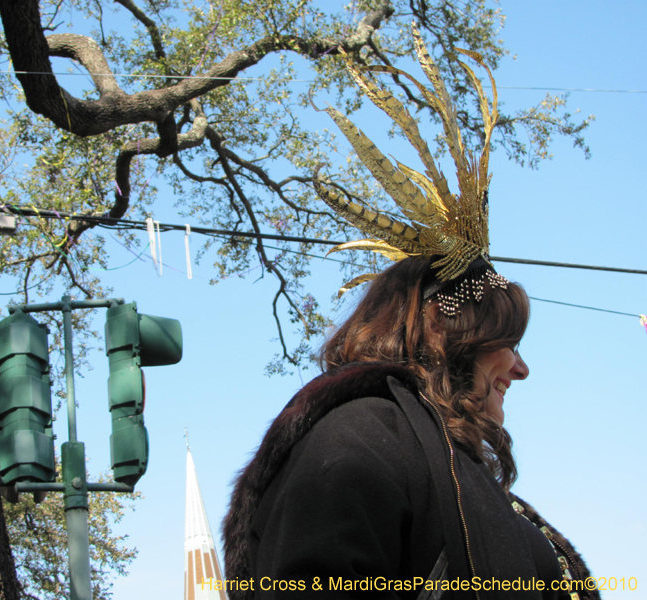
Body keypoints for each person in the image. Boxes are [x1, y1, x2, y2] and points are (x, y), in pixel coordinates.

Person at [222, 26, 598, 600]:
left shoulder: (461, 476)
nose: (521, 369)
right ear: (452, 332)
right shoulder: (359, 442)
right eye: (509, 341)